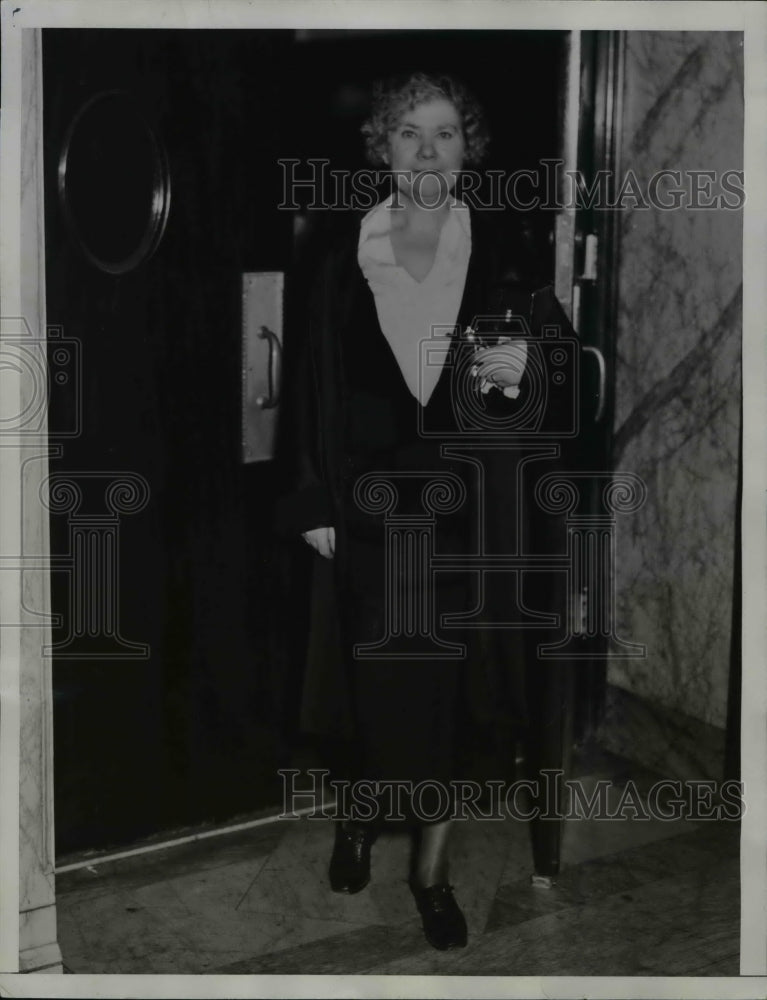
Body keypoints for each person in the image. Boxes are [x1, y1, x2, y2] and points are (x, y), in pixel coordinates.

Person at [278, 71, 580, 951]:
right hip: (367, 504)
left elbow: (550, 378)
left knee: (454, 689)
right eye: (408, 132)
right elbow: (308, 384)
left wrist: (528, 374)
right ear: (382, 145)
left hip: (469, 505)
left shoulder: (505, 250)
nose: (425, 150)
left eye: (444, 133)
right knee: (369, 680)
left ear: (466, 149)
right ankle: (361, 817)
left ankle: (430, 871)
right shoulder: (339, 254)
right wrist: (311, 500)